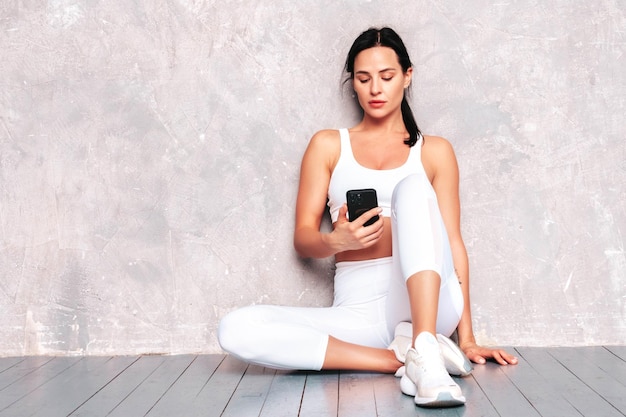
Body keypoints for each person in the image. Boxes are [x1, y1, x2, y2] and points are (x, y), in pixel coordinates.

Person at [218, 26, 518, 408]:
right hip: (357, 310)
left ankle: (425, 342)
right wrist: (335, 241)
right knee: (235, 328)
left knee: (412, 188)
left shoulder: (435, 151)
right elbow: (303, 238)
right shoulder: (328, 145)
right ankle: (403, 358)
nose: (376, 88)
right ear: (353, 84)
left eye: (387, 76)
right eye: (364, 78)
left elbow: (453, 243)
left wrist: (469, 337)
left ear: (407, 76)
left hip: (425, 304)